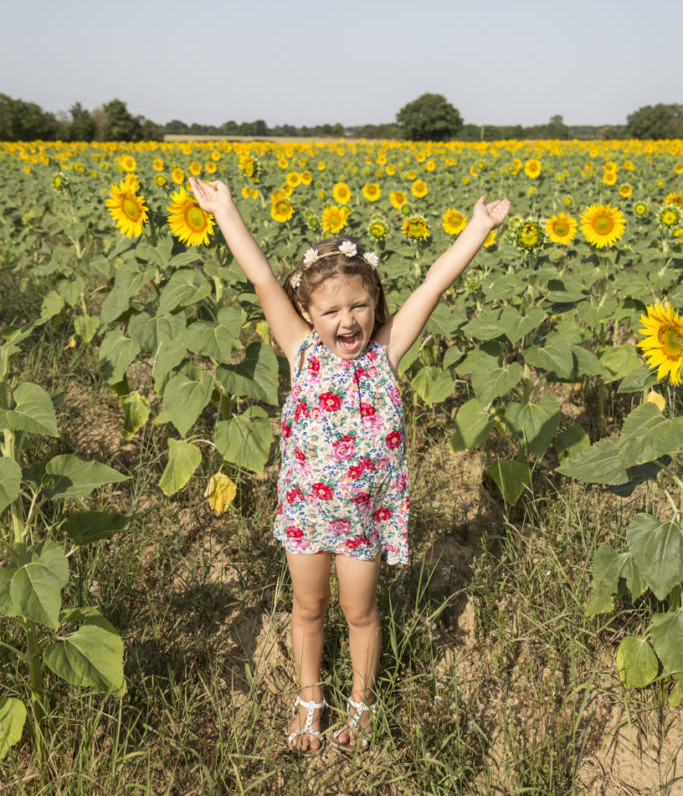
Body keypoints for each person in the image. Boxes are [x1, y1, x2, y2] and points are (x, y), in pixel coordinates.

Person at [189, 176, 509, 754]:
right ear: (306, 314)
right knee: (308, 608)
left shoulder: (385, 352)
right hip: (308, 513)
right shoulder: (300, 349)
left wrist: (478, 228)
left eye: (360, 304)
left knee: (360, 613)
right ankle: (309, 704)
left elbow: (434, 286)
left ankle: (360, 709)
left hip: (364, 518)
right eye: (331, 308)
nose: (348, 319)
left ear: (376, 304)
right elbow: (262, 276)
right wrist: (225, 210)